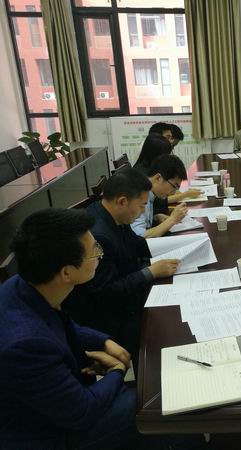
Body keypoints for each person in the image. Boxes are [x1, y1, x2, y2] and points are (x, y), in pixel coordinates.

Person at [0, 208, 138, 449]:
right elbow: (83, 411)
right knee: (149, 405)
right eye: (95, 250)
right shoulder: (25, 346)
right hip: (46, 435)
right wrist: (117, 371)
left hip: (57, 404)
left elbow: (61, 323)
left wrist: (103, 341)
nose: (100, 254)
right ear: (66, 272)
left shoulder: (23, 283)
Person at [63, 169, 180, 355]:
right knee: (171, 326)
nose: (143, 211)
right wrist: (151, 272)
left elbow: (136, 244)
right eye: (142, 205)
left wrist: (179, 244)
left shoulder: (111, 214)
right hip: (112, 316)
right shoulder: (99, 235)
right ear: (122, 202)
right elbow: (107, 291)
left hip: (127, 294)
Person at [134, 134, 201, 207]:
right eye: (167, 154)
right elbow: (158, 202)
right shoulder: (141, 175)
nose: (168, 157)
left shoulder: (149, 169)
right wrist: (185, 194)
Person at [131, 154, 189, 238]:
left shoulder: (151, 192)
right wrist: (172, 219)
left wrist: (156, 218)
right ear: (158, 178)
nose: (173, 193)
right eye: (173, 186)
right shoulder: (139, 194)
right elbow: (139, 237)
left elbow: (143, 220)